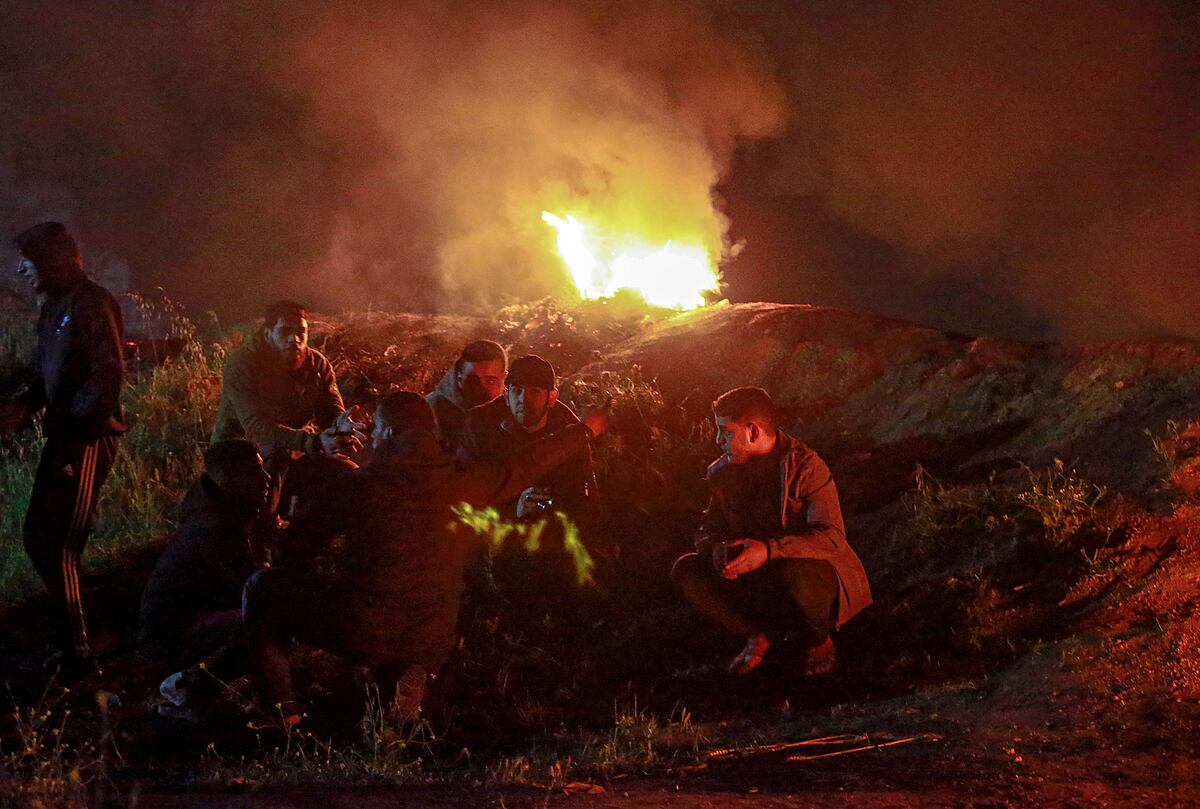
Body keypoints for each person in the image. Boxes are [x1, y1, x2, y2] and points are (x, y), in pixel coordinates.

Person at [242, 390, 609, 726]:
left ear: (388, 433)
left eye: (375, 431)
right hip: (431, 634)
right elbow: (528, 462)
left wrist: (281, 528)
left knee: (262, 588)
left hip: (363, 628)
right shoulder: (465, 481)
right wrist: (584, 430)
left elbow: (296, 552)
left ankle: (283, 714)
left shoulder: (357, 487)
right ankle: (403, 680)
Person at [671, 387, 871, 676]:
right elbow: (708, 528)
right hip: (754, 577)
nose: (717, 441)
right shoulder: (722, 472)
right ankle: (757, 635)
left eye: (725, 432)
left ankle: (819, 640)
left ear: (752, 431)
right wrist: (715, 549)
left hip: (799, 574)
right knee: (686, 569)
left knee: (801, 573)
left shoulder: (805, 466)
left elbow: (832, 538)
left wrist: (768, 551)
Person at [4, 222, 125, 674]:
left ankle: (81, 653)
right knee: (40, 537)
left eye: (28, 260)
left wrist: (81, 430)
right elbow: (44, 372)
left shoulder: (92, 303)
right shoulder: (53, 308)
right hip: (63, 438)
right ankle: (77, 638)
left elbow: (108, 373)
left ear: (52, 260)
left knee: (57, 541)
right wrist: (22, 406)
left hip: (86, 439)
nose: (21, 269)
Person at [138, 440, 270, 712]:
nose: (266, 478)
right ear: (228, 480)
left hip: (191, 617)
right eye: (254, 471)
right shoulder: (214, 527)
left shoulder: (226, 508)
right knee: (264, 621)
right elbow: (252, 587)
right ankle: (186, 686)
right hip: (172, 633)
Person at [211, 300, 363, 517]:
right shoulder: (243, 364)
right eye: (285, 331)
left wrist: (340, 427)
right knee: (273, 460)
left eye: (301, 331)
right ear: (268, 334)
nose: (295, 339)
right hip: (238, 456)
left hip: (293, 449)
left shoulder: (317, 365)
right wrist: (315, 442)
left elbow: (330, 410)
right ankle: (263, 526)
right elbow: (257, 427)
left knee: (349, 474)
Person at [457, 354, 595, 519]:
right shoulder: (480, 427)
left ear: (551, 398)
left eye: (534, 391)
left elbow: (586, 504)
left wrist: (554, 507)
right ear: (506, 396)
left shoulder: (570, 433)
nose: (523, 399)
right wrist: (513, 509)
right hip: (492, 527)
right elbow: (462, 497)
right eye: (517, 391)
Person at [426, 339, 506, 450]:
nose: (481, 389)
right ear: (459, 378)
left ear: (504, 379)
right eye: (473, 381)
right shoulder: (429, 411)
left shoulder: (515, 412)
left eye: (490, 381)